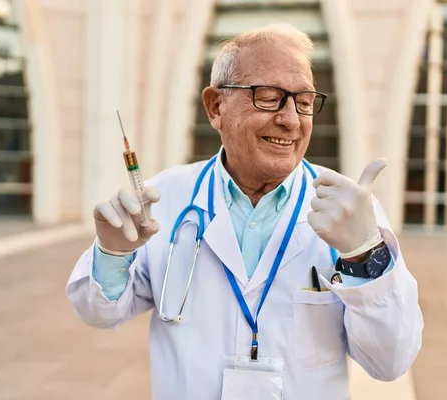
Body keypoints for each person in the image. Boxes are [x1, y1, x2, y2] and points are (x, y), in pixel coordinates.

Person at [66, 23, 423, 400]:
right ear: (216, 106)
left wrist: (364, 255)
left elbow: (391, 362)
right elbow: (99, 313)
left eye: (303, 102)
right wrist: (111, 253)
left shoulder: (351, 213)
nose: (290, 120)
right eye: (269, 97)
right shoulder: (165, 200)